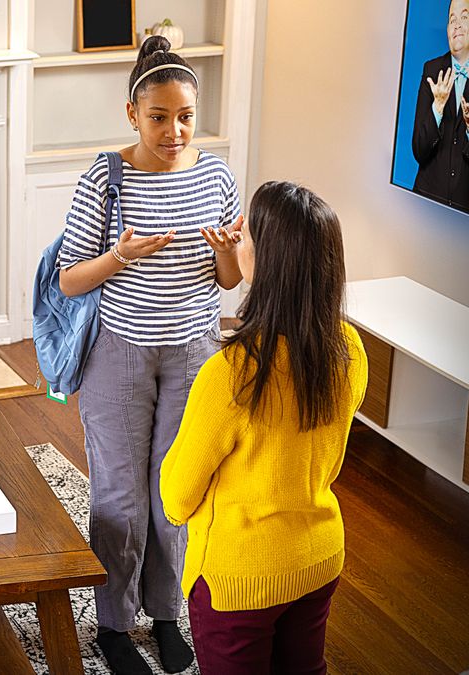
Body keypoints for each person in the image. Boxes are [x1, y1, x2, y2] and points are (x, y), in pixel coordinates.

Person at [55, 34, 244, 675]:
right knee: (119, 497)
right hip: (120, 356)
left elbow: (229, 279)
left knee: (174, 495)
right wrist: (119, 259)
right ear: (132, 113)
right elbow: (68, 277)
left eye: (185, 116)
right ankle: (113, 624)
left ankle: (167, 617)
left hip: (194, 353)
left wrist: (225, 250)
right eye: (160, 117)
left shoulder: (217, 175)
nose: (174, 131)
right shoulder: (104, 178)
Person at [160, 181, 368, 673]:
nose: (237, 239)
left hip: (240, 582)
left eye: (246, 234)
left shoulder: (231, 373)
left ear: (268, 262)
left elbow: (175, 499)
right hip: (318, 558)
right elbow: (328, 461)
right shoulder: (350, 349)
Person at [412, 0, 469, 216]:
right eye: (452, 20)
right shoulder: (431, 71)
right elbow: (418, 150)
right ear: (447, 29)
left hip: (466, 215)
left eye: (463, 17)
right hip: (424, 206)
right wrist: (437, 109)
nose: (457, 25)